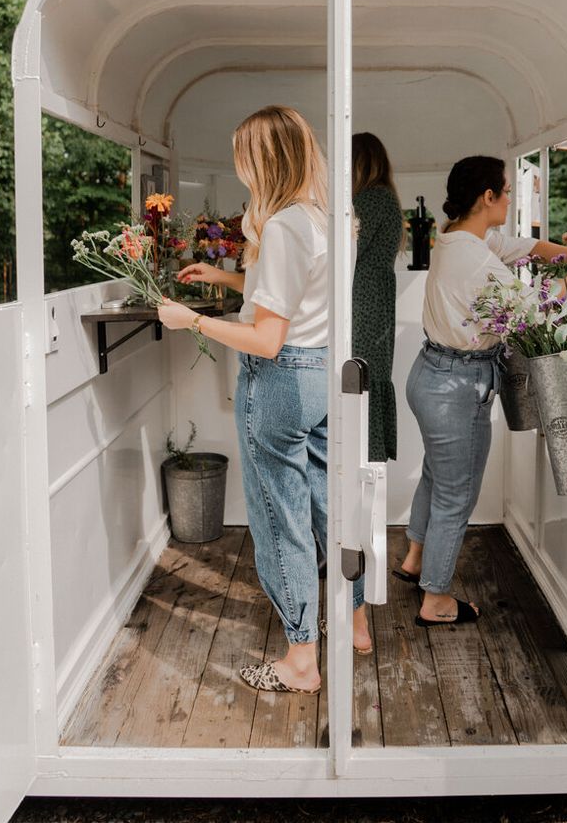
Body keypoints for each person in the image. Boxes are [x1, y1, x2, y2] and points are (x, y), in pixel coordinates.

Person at [158, 105, 370, 694]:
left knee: (281, 520)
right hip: (326, 375)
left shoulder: (282, 227)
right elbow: (301, 297)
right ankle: (353, 621)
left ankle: (301, 661)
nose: (238, 167)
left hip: (281, 382)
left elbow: (267, 338)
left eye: (242, 156)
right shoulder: (332, 216)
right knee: (330, 504)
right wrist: (226, 280)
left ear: (264, 159)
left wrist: (190, 320)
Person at [394, 155, 567, 628]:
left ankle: (414, 558)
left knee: (436, 473)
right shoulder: (474, 260)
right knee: (458, 494)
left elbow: (525, 247)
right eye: (507, 191)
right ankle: (436, 600)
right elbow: (537, 310)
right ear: (487, 197)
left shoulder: (457, 235)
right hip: (456, 387)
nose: (511, 199)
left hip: (430, 376)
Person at [351, 132, 404, 463]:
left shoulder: (371, 199)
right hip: (375, 295)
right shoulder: (385, 197)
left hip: (364, 298)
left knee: (360, 375)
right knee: (369, 375)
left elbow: (348, 249)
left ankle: (365, 455)